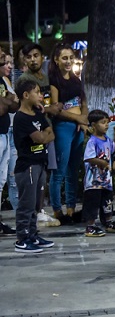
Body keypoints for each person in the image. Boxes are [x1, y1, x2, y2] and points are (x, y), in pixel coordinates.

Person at [12, 78, 56, 253]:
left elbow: (50, 134)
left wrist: (44, 135)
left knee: (36, 204)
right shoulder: (21, 118)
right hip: (27, 165)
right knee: (27, 203)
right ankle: (22, 239)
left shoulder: (38, 114)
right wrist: (44, 136)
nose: (41, 95)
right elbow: (40, 138)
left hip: (40, 163)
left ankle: (32, 234)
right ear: (25, 95)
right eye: (37, 92)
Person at [20, 43, 61, 227]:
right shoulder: (24, 80)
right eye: (28, 56)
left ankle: (40, 210)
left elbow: (50, 104)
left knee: (45, 172)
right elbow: (34, 108)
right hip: (34, 132)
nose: (32, 59)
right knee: (35, 173)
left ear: (42, 57)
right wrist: (50, 109)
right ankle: (34, 213)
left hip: (47, 128)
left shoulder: (45, 77)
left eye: (36, 55)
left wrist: (51, 109)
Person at [48, 44, 89, 222]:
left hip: (78, 128)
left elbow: (84, 101)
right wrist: (77, 119)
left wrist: (84, 118)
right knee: (59, 171)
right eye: (64, 58)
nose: (68, 61)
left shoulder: (76, 79)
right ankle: (57, 211)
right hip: (63, 127)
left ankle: (71, 209)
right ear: (56, 60)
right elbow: (56, 109)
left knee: (73, 170)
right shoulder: (54, 81)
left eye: (71, 57)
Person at [82, 110, 115, 237]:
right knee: (93, 203)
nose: (106, 125)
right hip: (93, 181)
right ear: (93, 125)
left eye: (107, 123)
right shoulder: (92, 141)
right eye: (103, 123)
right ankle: (90, 225)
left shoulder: (108, 140)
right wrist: (103, 163)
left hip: (106, 180)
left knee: (107, 202)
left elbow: (114, 148)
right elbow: (89, 158)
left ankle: (108, 221)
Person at [0, 52, 20, 236]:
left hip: (6, 133)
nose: (7, 64)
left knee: (3, 180)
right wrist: (8, 101)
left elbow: (15, 104)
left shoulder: (3, 80)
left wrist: (8, 100)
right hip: (2, 134)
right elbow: (3, 107)